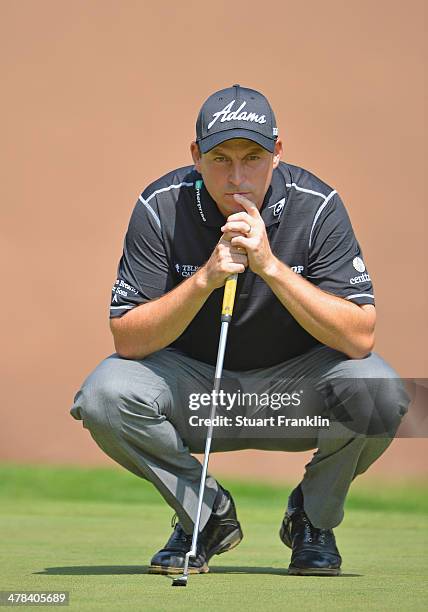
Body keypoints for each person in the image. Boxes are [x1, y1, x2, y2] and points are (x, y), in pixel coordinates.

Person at [71, 84, 409, 576]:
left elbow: (359, 337)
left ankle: (312, 518)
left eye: (252, 157)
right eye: (220, 159)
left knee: (383, 391)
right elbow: (128, 339)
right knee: (104, 395)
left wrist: (270, 266)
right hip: (195, 396)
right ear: (196, 156)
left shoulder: (316, 207)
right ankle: (204, 515)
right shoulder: (160, 206)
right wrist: (206, 278)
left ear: (277, 151)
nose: (237, 177)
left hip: (292, 400)